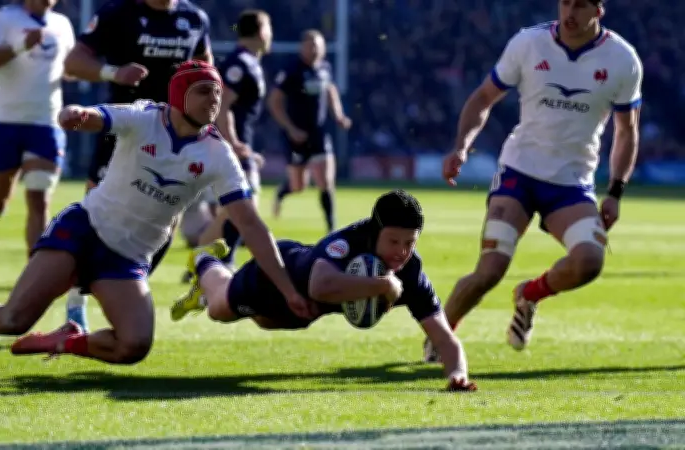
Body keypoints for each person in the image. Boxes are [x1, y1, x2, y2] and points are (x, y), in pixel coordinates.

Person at [0, 61, 315, 365]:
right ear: (179, 95)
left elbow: (250, 224)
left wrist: (288, 290)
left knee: (135, 346)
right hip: (85, 230)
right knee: (13, 318)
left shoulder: (218, 155)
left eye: (217, 93)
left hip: (127, 258)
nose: (214, 99)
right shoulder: (145, 117)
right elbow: (100, 117)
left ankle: (65, 341)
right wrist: (76, 115)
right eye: (205, 91)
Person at [425, 0, 642, 361]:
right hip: (519, 174)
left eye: (580, 5)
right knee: (489, 271)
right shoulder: (528, 43)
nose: (570, 12)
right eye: (565, 2)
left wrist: (616, 191)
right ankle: (442, 336)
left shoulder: (622, 59)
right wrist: (461, 147)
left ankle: (530, 294)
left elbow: (627, 130)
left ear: (598, 11)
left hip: (572, 184)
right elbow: (484, 96)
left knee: (589, 262)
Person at [171, 190, 477, 392]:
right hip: (277, 277)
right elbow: (320, 285)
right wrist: (383, 284)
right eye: (393, 241)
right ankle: (205, 260)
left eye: (410, 243)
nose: (401, 252)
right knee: (219, 310)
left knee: (266, 321)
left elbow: (445, 339)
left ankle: (208, 284)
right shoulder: (347, 243)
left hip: (298, 312)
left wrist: (457, 374)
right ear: (375, 232)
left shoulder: (410, 272)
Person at [60, 0, 213, 331]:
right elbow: (73, 62)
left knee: (167, 222)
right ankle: (75, 303)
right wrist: (114, 73)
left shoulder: (194, 18)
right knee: (94, 214)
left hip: (173, 136)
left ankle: (127, 287)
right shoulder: (117, 12)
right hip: (123, 129)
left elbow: (206, 71)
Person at [0, 0, 75, 272]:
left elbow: (69, 68)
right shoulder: (5, 18)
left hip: (46, 123)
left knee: (39, 200)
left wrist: (83, 71)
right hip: (6, 121)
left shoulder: (62, 24)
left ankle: (34, 275)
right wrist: (20, 46)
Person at [187, 9, 272, 280]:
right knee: (244, 207)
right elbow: (222, 105)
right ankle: (221, 262)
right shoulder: (240, 64)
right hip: (227, 145)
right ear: (261, 31)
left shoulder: (249, 63)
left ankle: (201, 261)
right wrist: (233, 142)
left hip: (233, 144)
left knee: (234, 211)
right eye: (268, 28)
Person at [268, 29, 352, 233]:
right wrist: (290, 128)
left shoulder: (325, 68)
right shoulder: (291, 70)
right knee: (299, 186)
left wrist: (338, 115)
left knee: (326, 182)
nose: (315, 49)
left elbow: (330, 90)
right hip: (296, 136)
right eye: (311, 45)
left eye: (318, 45)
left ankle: (331, 228)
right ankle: (282, 193)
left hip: (319, 133)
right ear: (302, 47)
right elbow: (274, 101)